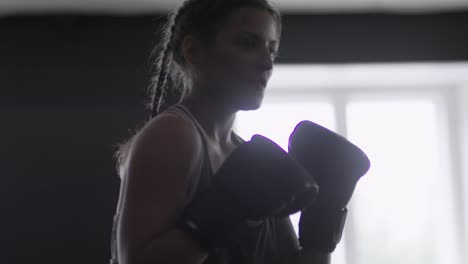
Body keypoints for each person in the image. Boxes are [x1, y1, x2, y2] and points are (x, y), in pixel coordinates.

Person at [109, 1, 369, 263]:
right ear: (194, 51)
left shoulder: (247, 157)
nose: (267, 63)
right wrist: (224, 210)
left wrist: (321, 228)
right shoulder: (174, 134)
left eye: (272, 49)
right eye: (247, 43)